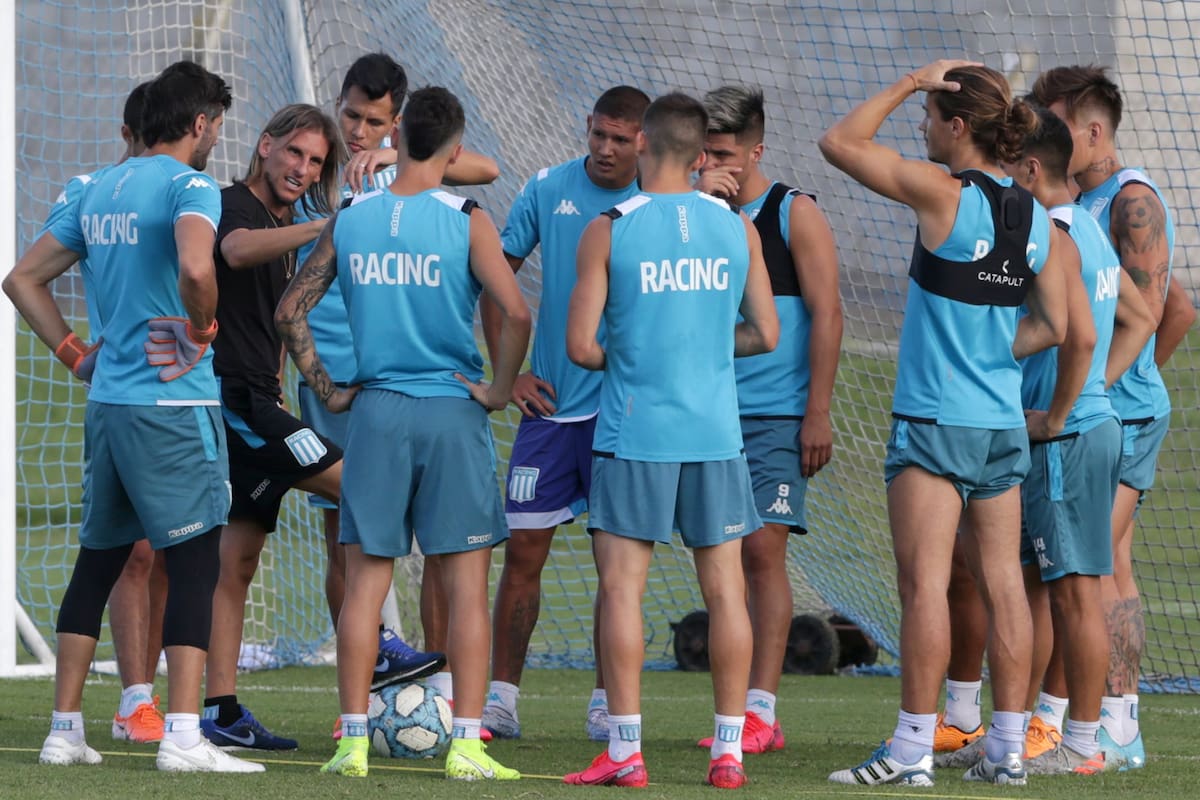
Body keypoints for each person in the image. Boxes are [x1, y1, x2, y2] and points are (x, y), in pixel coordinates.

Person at [3, 60, 261, 773]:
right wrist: (203, 331)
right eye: (216, 124)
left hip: (109, 403)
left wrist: (74, 354)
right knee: (194, 558)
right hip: (173, 406)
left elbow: (21, 278)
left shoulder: (95, 187)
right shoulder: (190, 184)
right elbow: (198, 268)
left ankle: (64, 729)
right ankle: (183, 735)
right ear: (200, 123)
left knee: (99, 561)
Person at [820, 61, 1069, 786]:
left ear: (957, 128)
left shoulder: (942, 192)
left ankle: (908, 753)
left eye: (927, 116)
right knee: (1004, 585)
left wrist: (903, 81)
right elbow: (1052, 325)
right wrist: (994, 348)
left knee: (925, 586)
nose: (919, 127)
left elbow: (840, 141)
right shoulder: (1032, 213)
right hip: (998, 424)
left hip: (935, 422)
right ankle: (1008, 750)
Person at [275, 86, 531, 780]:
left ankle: (352, 742)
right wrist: (499, 389)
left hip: (377, 414)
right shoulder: (468, 218)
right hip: (451, 411)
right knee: (467, 586)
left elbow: (290, 309)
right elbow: (517, 311)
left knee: (364, 586)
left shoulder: (353, 216)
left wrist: (328, 390)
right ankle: (469, 746)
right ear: (452, 148)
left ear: (401, 136)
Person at [563, 92, 779, 790]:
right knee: (725, 592)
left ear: (646, 146)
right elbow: (767, 335)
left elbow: (580, 347)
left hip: (635, 432)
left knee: (622, 589)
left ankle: (625, 754)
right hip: (715, 434)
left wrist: (635, 353)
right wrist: (706, 345)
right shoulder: (736, 227)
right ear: (698, 155)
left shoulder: (609, 228)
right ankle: (728, 753)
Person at [200, 103, 382, 752]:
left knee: (239, 561)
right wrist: (327, 226)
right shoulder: (233, 206)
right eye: (294, 154)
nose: (302, 169)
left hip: (258, 394)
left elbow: (274, 320)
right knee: (363, 488)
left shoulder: (285, 220)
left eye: (316, 162)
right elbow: (235, 250)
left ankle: (219, 713)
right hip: (239, 406)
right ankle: (379, 648)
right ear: (265, 144)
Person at [1030, 65, 1196, 771]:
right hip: (1105, 409)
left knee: (1086, 568)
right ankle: (1119, 721)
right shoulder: (1083, 201)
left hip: (1115, 415)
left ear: (1094, 130)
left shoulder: (1131, 202)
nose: (1042, 135)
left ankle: (1087, 727)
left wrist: (1101, 385)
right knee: (1109, 563)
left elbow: (1160, 310)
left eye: (1056, 121)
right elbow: (1177, 303)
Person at [480, 85, 650, 741]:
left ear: (643, 139)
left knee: (619, 566)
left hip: (623, 414)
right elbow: (494, 274)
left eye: (620, 139)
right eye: (597, 135)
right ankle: (501, 701)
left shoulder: (655, 205)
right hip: (548, 411)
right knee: (523, 553)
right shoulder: (548, 188)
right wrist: (509, 372)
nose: (605, 150)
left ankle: (609, 702)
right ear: (587, 128)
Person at [1006, 105, 1156, 775]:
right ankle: (1045, 733)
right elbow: (1143, 314)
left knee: (1074, 593)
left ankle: (1082, 745)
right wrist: (1095, 387)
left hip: (1067, 436)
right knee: (1052, 587)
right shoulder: (1088, 232)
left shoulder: (1054, 236)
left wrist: (1061, 409)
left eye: (1009, 168)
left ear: (1030, 168)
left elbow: (1079, 332)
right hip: (1090, 425)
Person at [693, 84, 842, 754]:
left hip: (776, 417)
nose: (713, 162)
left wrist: (817, 412)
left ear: (756, 149)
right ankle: (731, 713)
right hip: (706, 415)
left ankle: (761, 711)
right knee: (719, 559)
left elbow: (829, 314)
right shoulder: (688, 214)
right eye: (704, 151)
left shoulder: (792, 213)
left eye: (724, 152)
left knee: (761, 551)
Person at [41, 82, 170, 745]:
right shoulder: (92, 189)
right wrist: (72, 351)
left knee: (173, 550)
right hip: (130, 394)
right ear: (127, 135)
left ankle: (135, 701)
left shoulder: (183, 187)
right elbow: (25, 276)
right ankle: (135, 699)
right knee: (131, 551)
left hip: (181, 395)